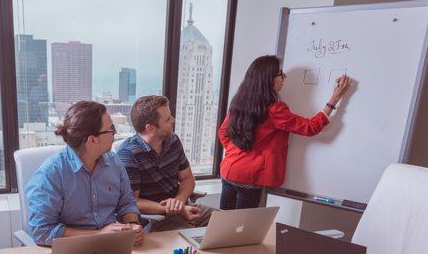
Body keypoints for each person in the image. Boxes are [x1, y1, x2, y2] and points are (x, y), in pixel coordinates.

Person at [218, 55, 352, 210]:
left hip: (229, 170)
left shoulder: (239, 102)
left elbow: (223, 133)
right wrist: (334, 99)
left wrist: (239, 152)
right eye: (280, 73)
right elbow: (310, 127)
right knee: (243, 228)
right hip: (251, 177)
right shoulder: (275, 109)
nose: (285, 76)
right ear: (268, 79)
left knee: (224, 225)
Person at [25, 101, 143, 246]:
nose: (115, 133)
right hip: (71, 251)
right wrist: (98, 235)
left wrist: (132, 225)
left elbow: (126, 203)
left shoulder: (114, 162)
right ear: (92, 140)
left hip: (111, 246)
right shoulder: (51, 174)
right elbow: (41, 232)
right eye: (111, 129)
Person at [116, 95, 215, 231]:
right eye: (168, 119)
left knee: (227, 222)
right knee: (189, 243)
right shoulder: (129, 154)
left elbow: (187, 178)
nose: (173, 120)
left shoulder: (173, 141)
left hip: (182, 206)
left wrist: (179, 202)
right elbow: (133, 201)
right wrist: (174, 209)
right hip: (157, 217)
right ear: (150, 128)